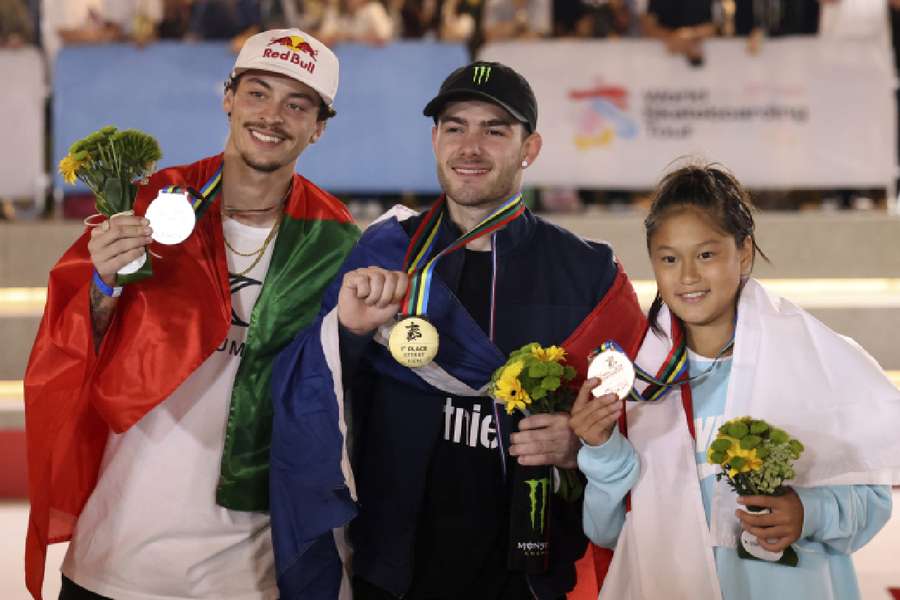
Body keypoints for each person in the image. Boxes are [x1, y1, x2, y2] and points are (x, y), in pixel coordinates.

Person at [268, 60, 646, 599]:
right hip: (393, 565)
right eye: (455, 127)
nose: (471, 146)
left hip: (528, 571)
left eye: (494, 130)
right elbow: (310, 391)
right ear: (434, 139)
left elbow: (641, 408)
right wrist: (346, 332)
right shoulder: (384, 251)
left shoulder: (588, 272)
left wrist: (581, 444)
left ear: (529, 149)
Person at [24, 27, 359, 600]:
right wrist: (100, 284)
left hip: (251, 576)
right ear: (228, 96)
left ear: (319, 126)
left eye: (296, 104)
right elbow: (67, 349)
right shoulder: (149, 202)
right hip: (116, 558)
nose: (272, 116)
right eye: (258, 93)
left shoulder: (337, 242)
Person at [572, 164, 899, 600]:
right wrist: (601, 447)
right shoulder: (640, 384)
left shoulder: (813, 360)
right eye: (669, 258)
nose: (687, 276)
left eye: (706, 255)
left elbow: (873, 502)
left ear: (743, 253)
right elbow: (606, 529)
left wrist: (810, 513)